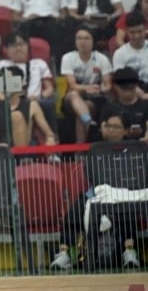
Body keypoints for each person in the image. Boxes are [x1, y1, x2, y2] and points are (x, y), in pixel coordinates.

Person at [50, 107, 141, 271]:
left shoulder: (134, 150)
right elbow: (90, 174)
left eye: (116, 127)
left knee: (127, 209)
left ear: (126, 130)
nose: (111, 130)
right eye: (108, 126)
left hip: (125, 193)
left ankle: (129, 252)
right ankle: (64, 253)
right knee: (75, 210)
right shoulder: (96, 148)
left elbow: (137, 175)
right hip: (99, 193)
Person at [9, 0, 77, 69]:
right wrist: (25, 19)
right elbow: (14, 16)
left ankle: (57, 67)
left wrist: (59, 18)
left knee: (58, 30)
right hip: (30, 23)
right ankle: (29, 67)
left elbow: (64, 13)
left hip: (52, 22)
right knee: (23, 31)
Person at [0, 32, 59, 140]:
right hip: (10, 102)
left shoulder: (39, 63)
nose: (19, 48)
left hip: (34, 100)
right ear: (6, 49)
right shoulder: (2, 65)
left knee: (45, 104)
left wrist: (41, 96)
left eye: (22, 44)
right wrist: (6, 100)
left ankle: (52, 138)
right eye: (14, 45)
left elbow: (50, 89)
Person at [0, 66, 58, 148]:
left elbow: (49, 134)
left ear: (20, 83)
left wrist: (50, 139)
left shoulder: (32, 105)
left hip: (22, 150)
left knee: (16, 116)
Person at [60, 26, 112, 142]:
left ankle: (80, 149)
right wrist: (87, 88)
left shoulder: (102, 59)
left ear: (93, 41)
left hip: (94, 98)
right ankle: (89, 122)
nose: (82, 42)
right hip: (71, 98)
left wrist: (100, 89)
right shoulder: (67, 58)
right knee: (74, 94)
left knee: (83, 110)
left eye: (86, 38)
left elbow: (108, 85)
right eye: (79, 38)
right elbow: (72, 85)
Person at [103, 68, 148, 140]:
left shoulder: (145, 106)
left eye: (131, 88)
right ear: (115, 86)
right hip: (115, 144)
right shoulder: (109, 107)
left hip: (141, 143)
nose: (128, 93)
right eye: (124, 89)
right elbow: (104, 132)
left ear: (136, 86)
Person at [111, 11, 148, 95]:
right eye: (132, 32)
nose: (136, 36)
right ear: (127, 31)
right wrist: (143, 95)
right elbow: (121, 80)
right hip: (132, 92)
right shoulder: (120, 53)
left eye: (140, 31)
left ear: (145, 29)